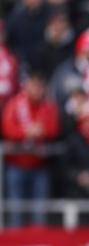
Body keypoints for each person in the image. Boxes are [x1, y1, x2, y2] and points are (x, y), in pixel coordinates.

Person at [1, 72, 60, 228]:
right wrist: (27, 132)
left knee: (39, 213)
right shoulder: (15, 105)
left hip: (39, 166)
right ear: (27, 87)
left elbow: (54, 129)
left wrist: (41, 131)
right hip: (17, 165)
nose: (37, 90)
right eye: (34, 86)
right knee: (16, 211)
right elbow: (7, 130)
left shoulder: (48, 107)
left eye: (40, 87)